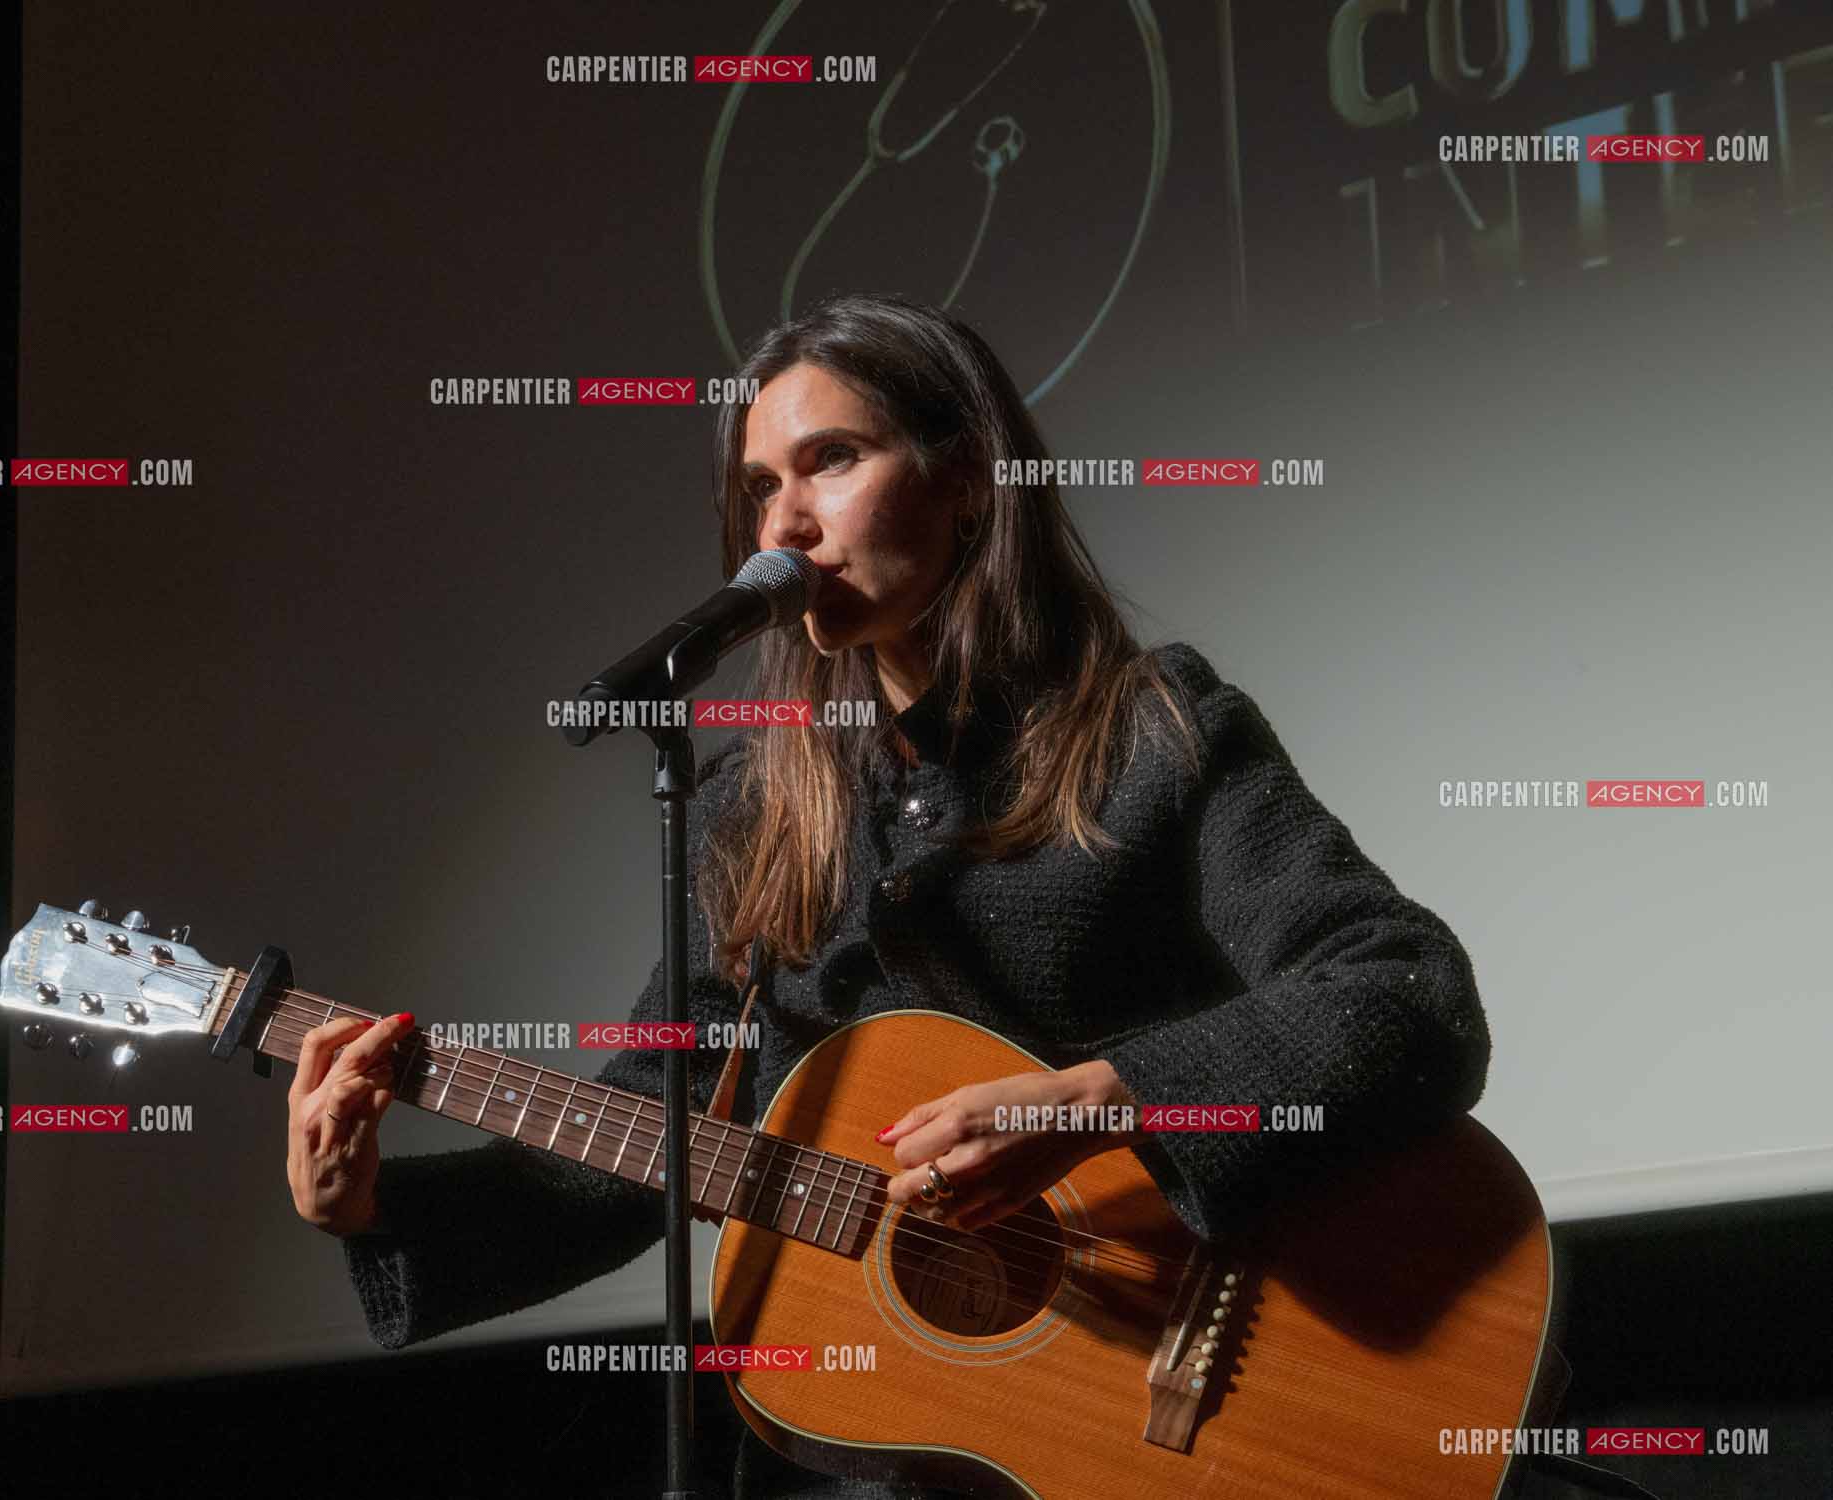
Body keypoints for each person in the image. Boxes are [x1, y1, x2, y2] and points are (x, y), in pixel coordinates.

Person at [284, 292, 1491, 1499]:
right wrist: (376, 1206)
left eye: (833, 460)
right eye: (760, 487)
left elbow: (1405, 992)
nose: (786, 526)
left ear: (968, 477)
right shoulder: (754, 810)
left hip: (1171, 1395)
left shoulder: (1151, 734)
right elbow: (654, 1124)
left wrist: (1100, 1103)